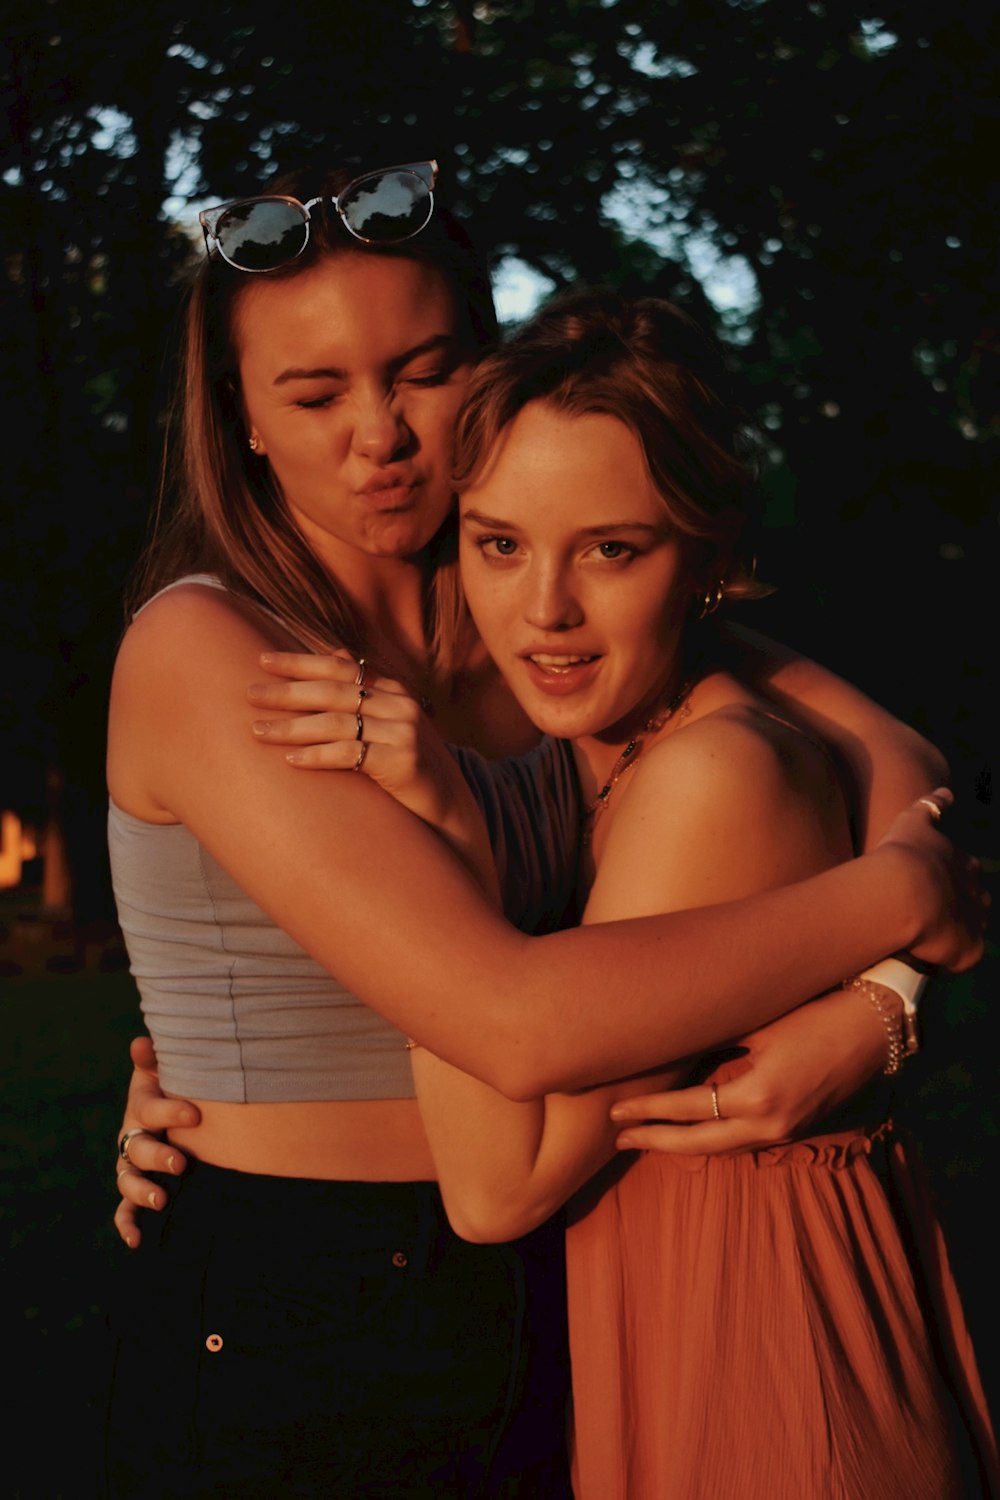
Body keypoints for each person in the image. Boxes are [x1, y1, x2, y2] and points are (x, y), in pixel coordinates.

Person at [105, 158, 986, 1498]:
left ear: (486, 360)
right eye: (313, 391)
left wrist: (882, 1009)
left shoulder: (528, 617)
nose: (382, 434)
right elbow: (510, 1019)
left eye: (424, 367)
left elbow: (900, 759)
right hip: (306, 1302)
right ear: (239, 417)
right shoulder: (212, 649)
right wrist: (898, 912)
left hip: (563, 1259)